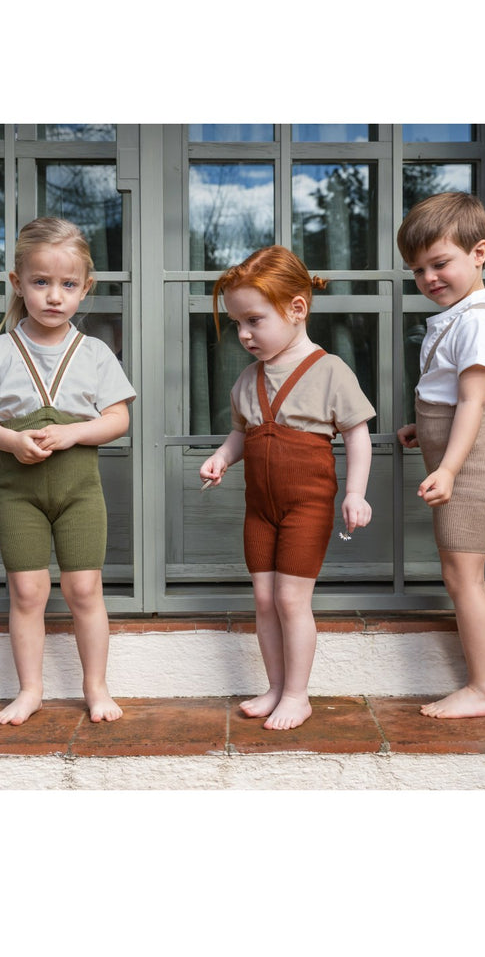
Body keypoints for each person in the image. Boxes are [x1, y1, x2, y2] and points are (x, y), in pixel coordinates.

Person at [0, 217, 135, 726]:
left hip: (81, 494)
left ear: (85, 288)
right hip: (19, 495)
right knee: (28, 593)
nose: (54, 296)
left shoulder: (95, 353)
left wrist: (75, 433)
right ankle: (30, 689)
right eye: (40, 282)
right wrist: (12, 441)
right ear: (18, 283)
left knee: (84, 591)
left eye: (68, 285)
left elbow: (118, 418)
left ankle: (96, 687)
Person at [199, 246, 375, 731]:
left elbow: (358, 436)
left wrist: (355, 493)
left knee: (292, 600)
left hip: (306, 508)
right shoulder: (247, 380)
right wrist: (222, 457)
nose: (244, 334)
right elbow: (242, 433)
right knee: (264, 600)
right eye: (237, 323)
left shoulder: (330, 370)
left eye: (254, 320)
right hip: (260, 510)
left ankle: (298, 695)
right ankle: (276, 687)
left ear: (297, 308)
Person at [396, 192, 485, 719]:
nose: (429, 277)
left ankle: (482, 689)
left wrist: (447, 467)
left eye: (440, 263)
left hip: (471, 473)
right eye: (418, 270)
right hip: (468, 468)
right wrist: (423, 428)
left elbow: (475, 402)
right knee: (474, 579)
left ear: (479, 253)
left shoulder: (477, 322)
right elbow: (454, 396)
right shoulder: (461, 316)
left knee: (462, 581)